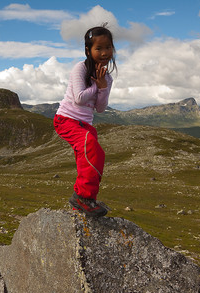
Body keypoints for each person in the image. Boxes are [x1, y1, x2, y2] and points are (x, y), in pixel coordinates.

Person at [53, 25, 116, 217]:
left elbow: (100, 108)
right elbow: (79, 98)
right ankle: (82, 197)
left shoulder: (107, 78)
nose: (104, 53)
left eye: (108, 47)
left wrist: (103, 86)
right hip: (66, 119)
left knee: (97, 155)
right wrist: (98, 87)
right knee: (90, 147)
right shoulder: (80, 68)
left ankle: (84, 202)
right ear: (88, 50)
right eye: (99, 48)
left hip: (85, 124)